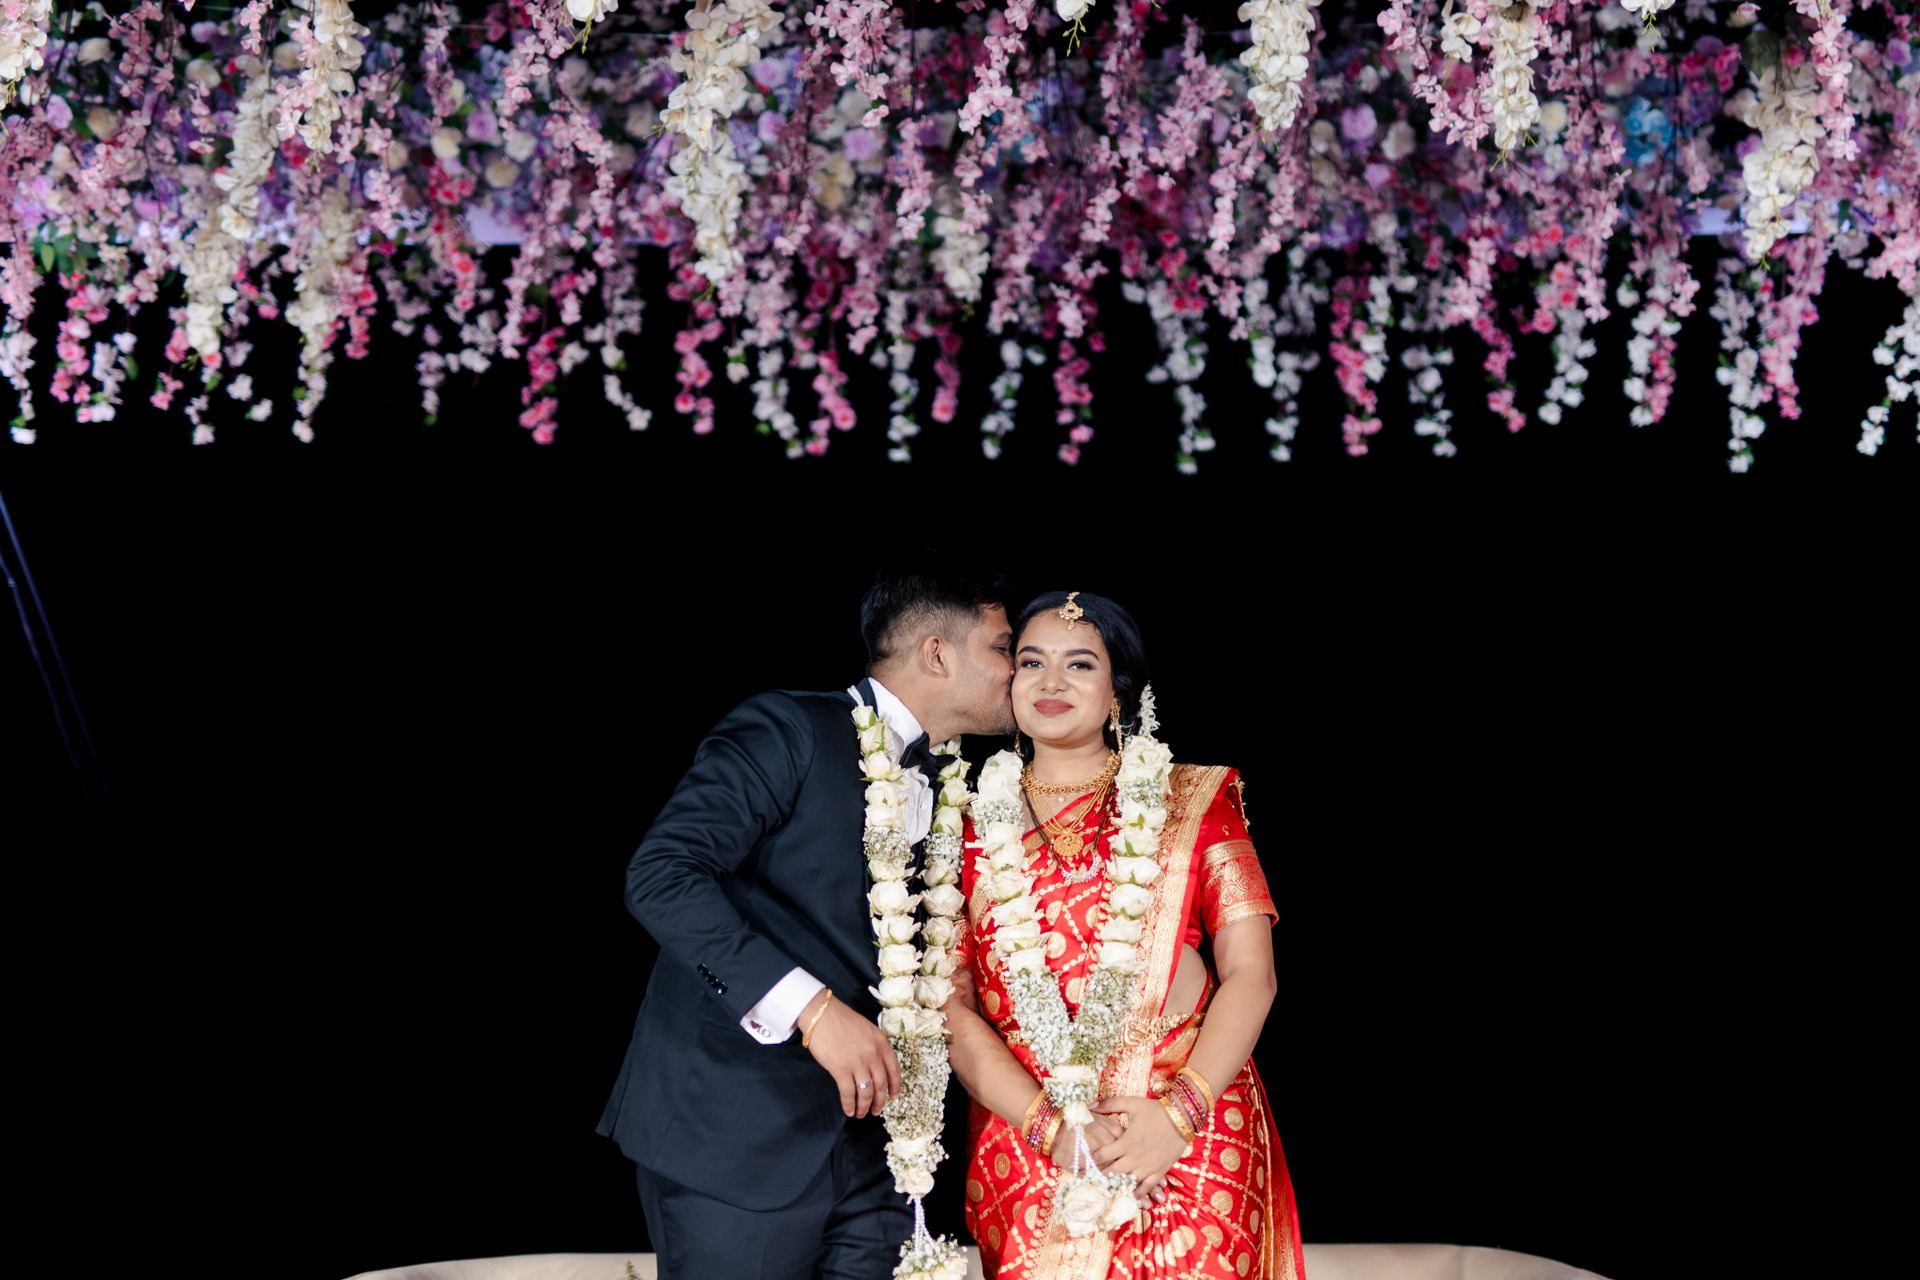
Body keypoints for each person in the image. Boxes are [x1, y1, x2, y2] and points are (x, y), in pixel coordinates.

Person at [595, 553, 1017, 1280]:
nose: (1017, 669)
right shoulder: (788, 728)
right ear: (938, 654)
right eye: (1004, 648)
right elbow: (662, 875)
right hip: (734, 1135)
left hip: (882, 1153)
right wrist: (813, 1010)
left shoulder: (955, 783)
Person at [941, 591, 1303, 1280]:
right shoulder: (963, 829)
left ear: (1118, 692)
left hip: (1186, 1129)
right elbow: (951, 1010)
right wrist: (1053, 1130)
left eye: (1080, 664)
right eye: (1031, 662)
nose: (1051, 681)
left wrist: (1179, 1115)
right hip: (1032, 1139)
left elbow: (1252, 973)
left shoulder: (1194, 801)